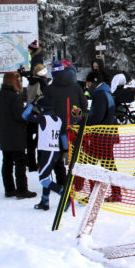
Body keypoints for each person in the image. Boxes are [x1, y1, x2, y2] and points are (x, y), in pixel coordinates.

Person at [42, 60, 87, 189]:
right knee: (76, 155)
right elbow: (84, 104)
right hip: (74, 126)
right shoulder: (75, 86)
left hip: (56, 127)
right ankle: (78, 182)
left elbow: (46, 108)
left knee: (57, 156)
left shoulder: (49, 89)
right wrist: (77, 116)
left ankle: (62, 181)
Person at [0, 73, 36, 199]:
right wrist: (28, 111)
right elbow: (20, 116)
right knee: (20, 162)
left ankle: (9, 189)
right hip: (17, 134)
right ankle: (22, 190)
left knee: (7, 162)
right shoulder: (15, 97)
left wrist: (0, 128)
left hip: (4, 134)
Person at [80, 71, 121, 202]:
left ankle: (95, 195)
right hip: (107, 134)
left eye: (89, 83)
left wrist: (84, 122)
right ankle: (116, 193)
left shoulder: (100, 94)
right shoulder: (105, 92)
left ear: (94, 82)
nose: (87, 86)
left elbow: (97, 116)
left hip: (101, 136)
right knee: (108, 165)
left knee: (92, 164)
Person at [22, 97, 65, 210]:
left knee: (43, 179)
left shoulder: (43, 118)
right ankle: (45, 201)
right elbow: (62, 134)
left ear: (42, 109)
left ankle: (63, 193)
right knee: (47, 176)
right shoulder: (58, 119)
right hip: (54, 151)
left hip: (48, 152)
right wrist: (65, 148)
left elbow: (24, 115)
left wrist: (31, 105)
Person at [24, 64, 49, 172]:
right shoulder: (42, 82)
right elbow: (44, 98)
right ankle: (40, 162)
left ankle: (31, 163)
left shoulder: (31, 82)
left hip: (30, 112)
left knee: (30, 140)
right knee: (40, 139)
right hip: (39, 112)